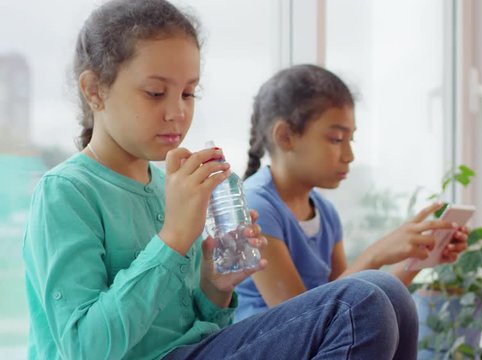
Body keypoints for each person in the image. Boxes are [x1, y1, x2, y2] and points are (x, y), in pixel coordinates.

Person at [22, 1, 418, 359]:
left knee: (391, 295)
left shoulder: (167, 187)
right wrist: (173, 240)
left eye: (189, 94)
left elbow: (192, 326)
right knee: (358, 303)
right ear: (94, 90)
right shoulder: (66, 192)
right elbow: (82, 347)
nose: (177, 112)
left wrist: (216, 284)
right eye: (156, 92)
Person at [234, 64, 469, 322]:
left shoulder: (325, 212)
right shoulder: (255, 206)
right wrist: (376, 254)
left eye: (350, 140)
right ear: (286, 136)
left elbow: (342, 306)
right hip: (267, 347)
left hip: (313, 341)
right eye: (336, 139)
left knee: (389, 307)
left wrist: (415, 256)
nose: (349, 156)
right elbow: (298, 323)